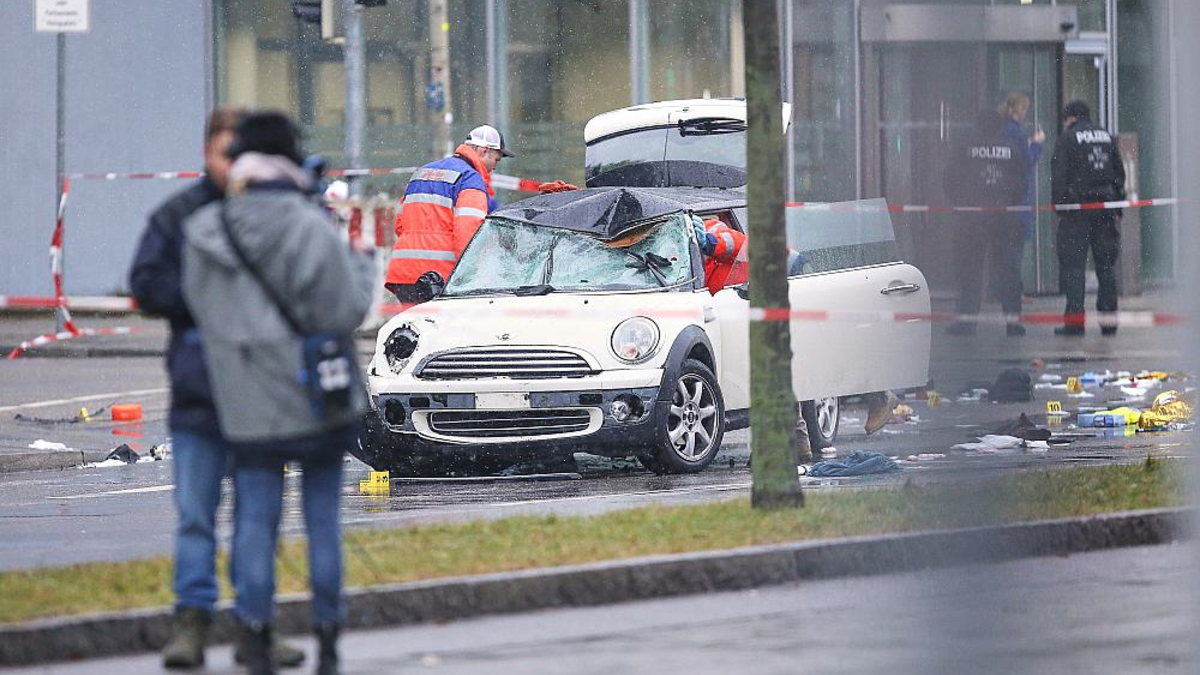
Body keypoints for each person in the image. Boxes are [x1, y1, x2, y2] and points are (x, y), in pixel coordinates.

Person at [182, 111, 375, 675]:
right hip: (313, 396)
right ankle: (329, 636)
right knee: (322, 521)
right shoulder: (309, 225)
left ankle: (257, 634)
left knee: (255, 523)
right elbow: (342, 311)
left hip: (243, 402)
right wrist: (363, 271)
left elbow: (202, 315)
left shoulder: (204, 231)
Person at [128, 108, 306, 671]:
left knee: (258, 518)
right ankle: (192, 623)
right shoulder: (179, 215)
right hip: (200, 396)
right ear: (206, 153)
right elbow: (147, 284)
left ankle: (258, 625)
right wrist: (207, 295)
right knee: (196, 516)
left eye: (242, 155)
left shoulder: (278, 214)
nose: (234, 166)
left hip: (261, 397)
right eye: (224, 153)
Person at [384, 124, 513, 303]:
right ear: (484, 151)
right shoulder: (470, 179)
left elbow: (400, 225)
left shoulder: (422, 172)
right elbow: (468, 235)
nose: (494, 167)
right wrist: (471, 278)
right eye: (496, 160)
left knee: (415, 329)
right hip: (439, 278)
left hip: (404, 274)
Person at [943, 109, 1029, 337]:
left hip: (972, 219)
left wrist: (962, 202)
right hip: (1003, 217)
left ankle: (967, 321)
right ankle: (1013, 322)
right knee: (1007, 270)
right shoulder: (1011, 147)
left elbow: (950, 178)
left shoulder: (966, 146)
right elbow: (1022, 179)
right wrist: (1008, 201)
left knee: (970, 270)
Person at [1051, 100, 1126, 336]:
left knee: (1074, 269)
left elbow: (1059, 175)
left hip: (1077, 213)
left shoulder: (1068, 138)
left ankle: (1074, 323)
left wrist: (1061, 207)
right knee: (1106, 267)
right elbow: (1119, 173)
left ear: (1070, 118)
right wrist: (1116, 203)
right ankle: (1109, 322)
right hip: (1104, 210)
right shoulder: (1106, 136)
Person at [998, 92, 1045, 301]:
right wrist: (1036, 144)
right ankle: (1013, 293)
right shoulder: (1015, 133)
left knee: (1005, 251)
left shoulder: (1001, 131)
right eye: (1024, 109)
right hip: (1017, 202)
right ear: (1018, 110)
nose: (1025, 113)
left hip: (1001, 201)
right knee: (1014, 253)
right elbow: (1026, 162)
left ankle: (1005, 290)